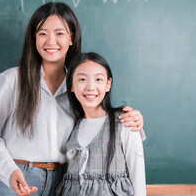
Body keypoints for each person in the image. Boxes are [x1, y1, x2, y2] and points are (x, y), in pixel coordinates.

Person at [0, 2, 145, 196]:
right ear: (34, 38)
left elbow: (96, 123)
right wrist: (11, 171)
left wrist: (133, 119)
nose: (50, 41)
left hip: (63, 183)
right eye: (42, 33)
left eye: (60, 33)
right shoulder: (12, 81)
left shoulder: (80, 87)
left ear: (71, 38)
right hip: (16, 179)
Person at [56, 52, 146, 196]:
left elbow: (138, 179)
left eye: (98, 79)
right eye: (82, 79)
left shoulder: (125, 122)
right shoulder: (70, 125)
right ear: (71, 85)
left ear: (108, 84)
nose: (90, 87)